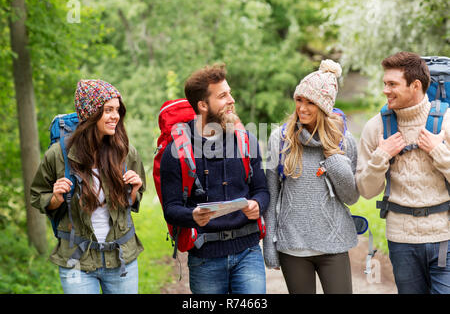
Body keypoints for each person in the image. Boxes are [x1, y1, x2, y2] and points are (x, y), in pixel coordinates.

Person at [160, 63, 270, 294]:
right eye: (223, 96)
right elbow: (171, 209)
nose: (231, 99)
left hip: (248, 252)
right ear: (202, 105)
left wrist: (257, 204)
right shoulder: (177, 151)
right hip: (205, 259)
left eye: (229, 92)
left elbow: (262, 190)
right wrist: (192, 216)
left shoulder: (245, 140)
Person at [30, 79, 146, 294]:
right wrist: (55, 198)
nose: (115, 117)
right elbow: (37, 196)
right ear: (90, 114)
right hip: (77, 260)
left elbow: (129, 205)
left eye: (117, 110)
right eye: (108, 110)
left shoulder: (126, 152)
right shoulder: (58, 155)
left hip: (121, 259)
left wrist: (135, 190)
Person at [356, 51, 450, 294]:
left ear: (415, 85)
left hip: (444, 238)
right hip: (401, 241)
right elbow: (366, 191)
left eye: (392, 84)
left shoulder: (447, 122)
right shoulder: (375, 127)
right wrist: (381, 156)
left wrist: (438, 151)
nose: (385, 90)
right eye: (385, 83)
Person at [263, 59, 359, 294]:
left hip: (333, 244)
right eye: (299, 100)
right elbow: (271, 197)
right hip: (293, 248)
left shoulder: (345, 142)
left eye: (311, 102)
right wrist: (269, 244)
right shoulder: (280, 139)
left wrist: (333, 155)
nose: (302, 108)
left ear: (325, 106)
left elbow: (350, 196)